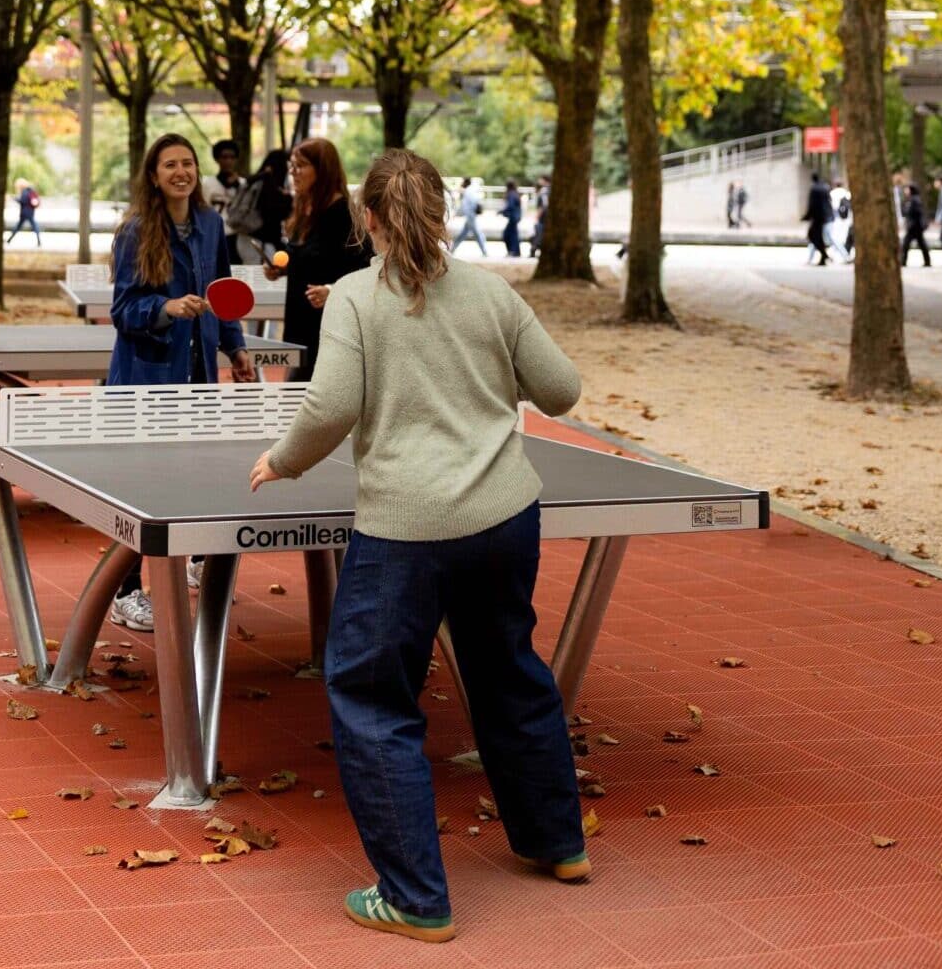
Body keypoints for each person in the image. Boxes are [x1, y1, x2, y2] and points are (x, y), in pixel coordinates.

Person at [249, 149, 589, 942]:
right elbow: (562, 390)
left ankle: (413, 897)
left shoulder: (358, 299)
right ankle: (557, 844)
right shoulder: (489, 293)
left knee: (371, 699)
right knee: (507, 670)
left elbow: (331, 404)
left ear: (366, 219)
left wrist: (284, 460)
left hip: (406, 528)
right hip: (505, 517)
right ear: (441, 212)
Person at [107, 133, 255, 630]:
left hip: (197, 376)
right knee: (140, 487)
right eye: (169, 165)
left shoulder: (210, 224)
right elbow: (123, 311)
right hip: (146, 379)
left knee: (196, 475)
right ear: (154, 176)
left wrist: (235, 347)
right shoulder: (134, 231)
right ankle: (125, 590)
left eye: (187, 163)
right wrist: (166, 308)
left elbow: (222, 291)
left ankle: (193, 560)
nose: (180, 172)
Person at [265, 138, 369, 382]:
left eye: (300, 166)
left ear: (322, 170)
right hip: (301, 324)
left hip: (329, 330)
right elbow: (308, 257)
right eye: (291, 166)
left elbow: (363, 269)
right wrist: (282, 268)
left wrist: (332, 290)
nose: (293, 173)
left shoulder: (344, 214)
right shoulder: (305, 209)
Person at [230, 147, 293, 264]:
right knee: (260, 278)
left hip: (244, 236)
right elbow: (280, 212)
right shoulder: (272, 189)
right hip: (261, 243)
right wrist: (288, 198)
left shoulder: (254, 181)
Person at [203, 138, 245, 259]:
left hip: (238, 237)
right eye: (224, 157)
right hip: (214, 235)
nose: (228, 161)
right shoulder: (207, 184)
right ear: (217, 159)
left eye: (232, 157)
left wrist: (237, 186)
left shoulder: (243, 184)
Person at [451, 177, 487, 256]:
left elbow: (465, 205)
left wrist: (457, 214)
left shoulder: (468, 192)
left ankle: (485, 251)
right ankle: (452, 249)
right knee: (465, 234)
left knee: (476, 234)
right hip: (471, 215)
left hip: (470, 216)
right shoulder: (471, 191)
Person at [803, 172, 833, 266]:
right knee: (819, 237)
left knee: (812, 235)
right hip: (826, 216)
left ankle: (824, 255)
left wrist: (807, 216)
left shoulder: (814, 188)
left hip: (818, 217)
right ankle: (824, 257)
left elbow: (812, 204)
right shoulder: (825, 187)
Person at [900, 183, 930, 267]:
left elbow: (916, 213)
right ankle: (927, 261)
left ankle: (903, 261)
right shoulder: (912, 199)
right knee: (921, 244)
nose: (905, 191)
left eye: (907, 189)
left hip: (914, 227)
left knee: (906, 244)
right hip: (914, 226)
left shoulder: (914, 200)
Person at [6, 180, 41, 246]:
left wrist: (14, 198)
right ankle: (39, 240)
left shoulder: (25, 192)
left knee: (18, 227)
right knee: (33, 226)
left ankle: (9, 240)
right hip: (30, 212)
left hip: (25, 213)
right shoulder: (30, 191)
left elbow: (22, 201)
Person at [530, 175, 550, 257]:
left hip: (543, 218)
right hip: (547, 218)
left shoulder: (544, 191)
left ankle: (533, 250)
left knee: (539, 235)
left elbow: (543, 206)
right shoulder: (549, 190)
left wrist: (537, 217)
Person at [501, 178, 522, 257]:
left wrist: (502, 211)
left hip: (513, 217)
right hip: (515, 217)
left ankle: (513, 251)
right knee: (514, 234)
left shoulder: (511, 194)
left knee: (507, 235)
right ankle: (516, 251)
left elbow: (510, 206)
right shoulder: (515, 193)